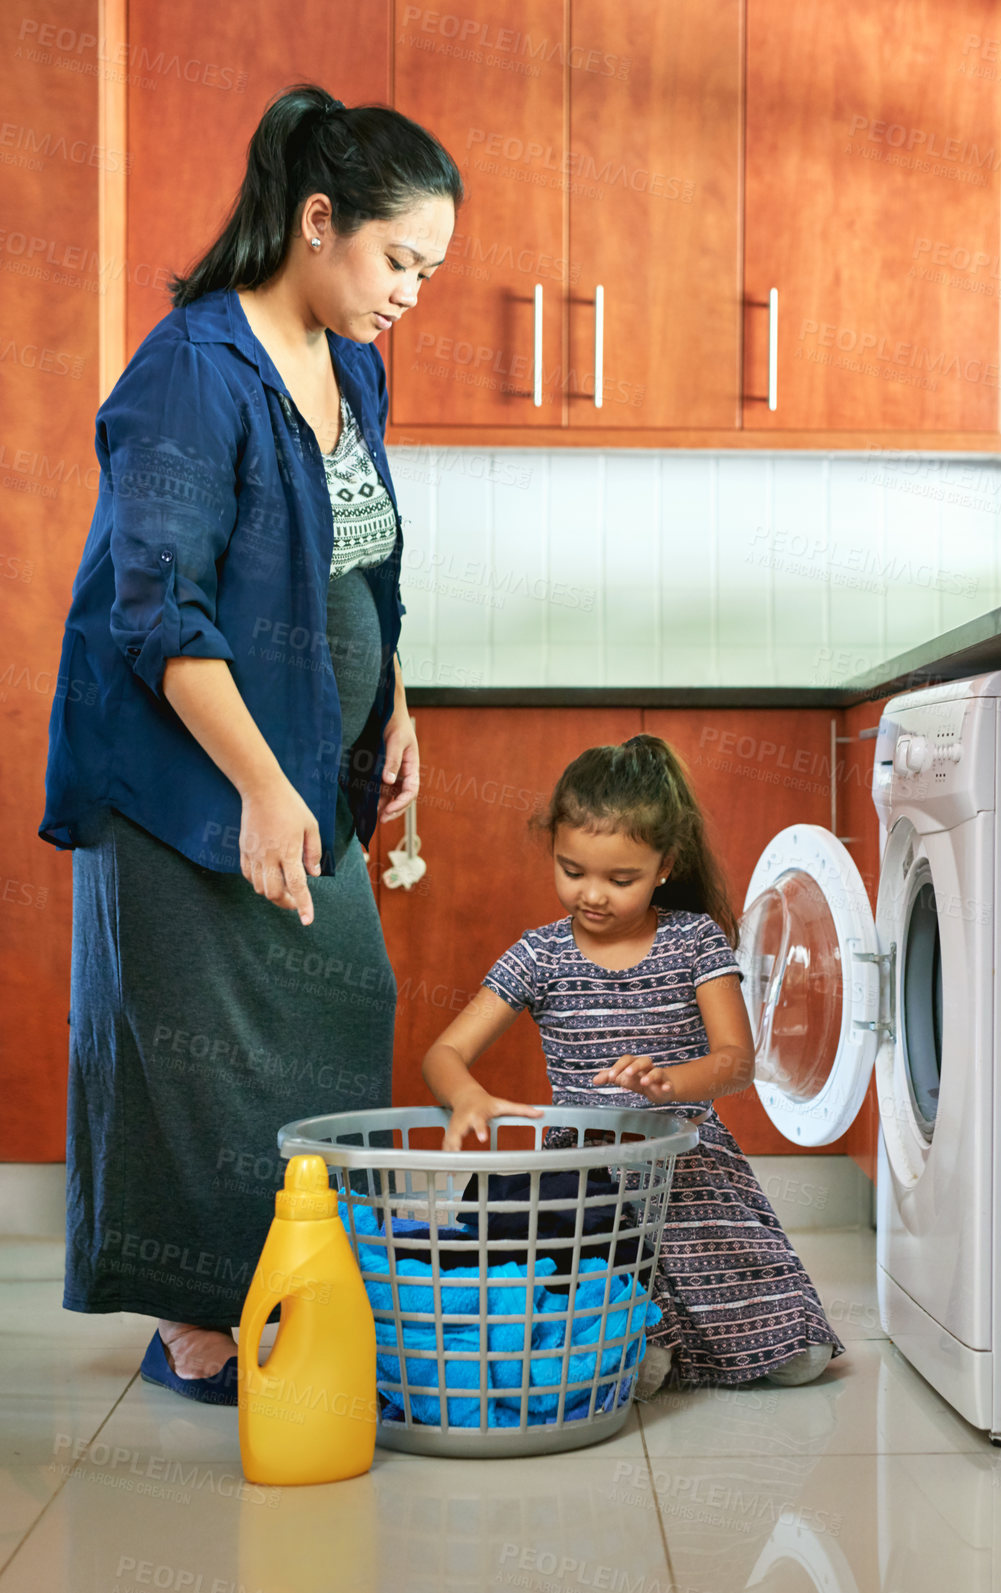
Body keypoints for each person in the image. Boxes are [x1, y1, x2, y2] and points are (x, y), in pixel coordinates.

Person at [39, 84, 462, 1402]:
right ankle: (196, 1328)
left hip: (303, 762)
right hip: (182, 774)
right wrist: (264, 786)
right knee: (188, 1035)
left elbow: (361, 556)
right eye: (400, 260)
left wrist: (392, 699)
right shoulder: (189, 370)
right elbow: (156, 608)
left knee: (338, 1009)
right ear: (318, 221)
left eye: (429, 271)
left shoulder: (356, 366)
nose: (410, 293)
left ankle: (283, 1282)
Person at [421, 734, 843, 1395]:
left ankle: (709, 1339)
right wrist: (466, 1093)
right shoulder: (540, 954)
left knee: (801, 1358)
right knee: (591, 1272)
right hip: (585, 1169)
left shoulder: (693, 939)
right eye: (572, 869)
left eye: (621, 879)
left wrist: (671, 1082)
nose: (592, 894)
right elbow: (444, 1051)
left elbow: (738, 1060)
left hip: (685, 1154)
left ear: (665, 864)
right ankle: (630, 1340)